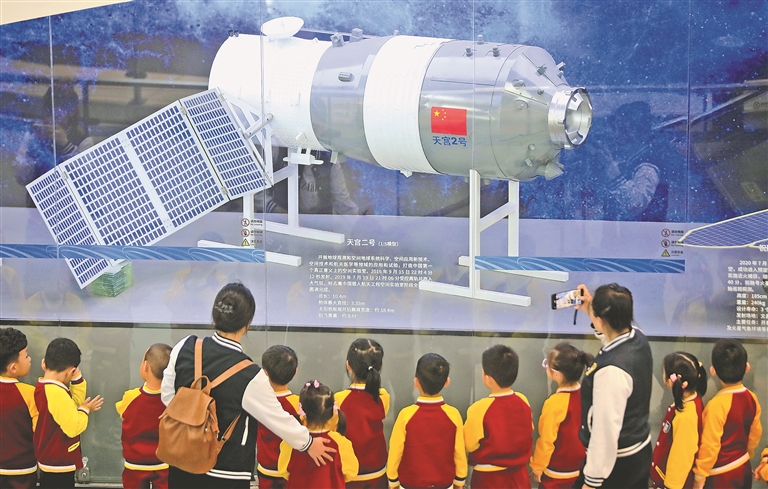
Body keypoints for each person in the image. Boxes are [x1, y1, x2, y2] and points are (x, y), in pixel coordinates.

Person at [161, 282, 335, 488]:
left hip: (181, 460)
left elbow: (168, 397)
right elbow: (277, 418)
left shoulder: (185, 346)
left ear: (215, 315)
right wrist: (308, 443)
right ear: (248, 323)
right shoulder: (249, 374)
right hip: (226, 472)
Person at [574, 283, 653, 489]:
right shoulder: (637, 337)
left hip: (616, 465)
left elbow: (605, 431)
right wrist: (591, 309)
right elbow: (611, 336)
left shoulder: (611, 371)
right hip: (638, 450)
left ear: (601, 320)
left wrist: (591, 482)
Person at [387, 353, 467, 489]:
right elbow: (459, 452)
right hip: (444, 484)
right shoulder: (453, 415)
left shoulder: (405, 415)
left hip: (410, 484)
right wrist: (460, 481)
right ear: (447, 382)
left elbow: (395, 451)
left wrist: (393, 480)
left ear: (416, 382)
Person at [34, 338, 103, 488]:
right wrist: (85, 410)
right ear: (71, 371)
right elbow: (73, 427)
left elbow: (71, 406)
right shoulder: (57, 393)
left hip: (50, 459)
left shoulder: (45, 387)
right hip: (59, 462)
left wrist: (76, 380)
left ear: (44, 363)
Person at [693, 339, 762, 489]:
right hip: (743, 466)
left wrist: (699, 476)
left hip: (720, 475)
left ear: (713, 371)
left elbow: (710, 445)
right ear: (747, 367)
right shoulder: (752, 398)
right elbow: (755, 433)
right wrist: (747, 454)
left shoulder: (716, 405)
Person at [463, 344, 532, 488]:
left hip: (488, 478)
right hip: (519, 474)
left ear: (488, 379)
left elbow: (469, 444)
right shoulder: (523, 400)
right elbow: (528, 430)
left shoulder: (479, 408)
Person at [14, 84, 94, 206]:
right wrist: (33, 149)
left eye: (58, 114)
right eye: (48, 113)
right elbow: (21, 178)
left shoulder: (84, 140)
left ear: (71, 112)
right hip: (37, 207)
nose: (52, 119)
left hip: (70, 206)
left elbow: (85, 179)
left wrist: (66, 146)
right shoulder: (33, 136)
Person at [530, 342, 593, 489]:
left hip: (556, 473)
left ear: (556, 374)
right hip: (581, 467)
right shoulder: (587, 395)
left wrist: (537, 466)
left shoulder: (554, 403)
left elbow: (546, 440)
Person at [277, 380, 358, 488]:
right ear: (332, 412)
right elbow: (351, 472)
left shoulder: (291, 442)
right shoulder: (341, 443)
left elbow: (283, 470)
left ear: (302, 411)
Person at [115, 343, 172, 489]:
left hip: (135, 464)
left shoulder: (131, 397)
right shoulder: (173, 400)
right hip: (164, 462)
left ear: (146, 366)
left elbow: (120, 410)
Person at [334, 338, 389, 489]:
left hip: (348, 473)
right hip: (377, 471)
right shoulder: (383, 397)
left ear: (348, 366)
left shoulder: (338, 399)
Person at [650, 352, 707, 489]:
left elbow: (681, 456)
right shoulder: (689, 400)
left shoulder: (686, 415)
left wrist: (672, 486)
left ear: (672, 380)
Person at [257, 345, 301, 489]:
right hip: (290, 470)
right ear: (295, 372)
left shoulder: (257, 402)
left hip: (265, 470)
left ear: (265, 372)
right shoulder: (299, 404)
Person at [0, 327, 38, 489]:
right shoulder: (30, 393)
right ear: (13, 367)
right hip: (23, 471)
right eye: (26, 355)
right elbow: (39, 431)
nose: (30, 359)